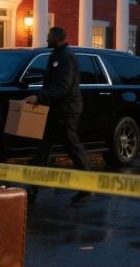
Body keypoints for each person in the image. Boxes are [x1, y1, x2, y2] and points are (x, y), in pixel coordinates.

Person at [24, 27, 91, 204]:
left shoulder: (65, 57)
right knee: (43, 148)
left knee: (72, 147)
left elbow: (62, 86)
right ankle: (33, 190)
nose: (46, 38)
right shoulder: (56, 55)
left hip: (66, 111)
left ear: (57, 37)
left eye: (49, 36)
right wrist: (42, 97)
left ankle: (87, 186)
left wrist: (40, 96)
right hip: (54, 109)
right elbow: (53, 84)